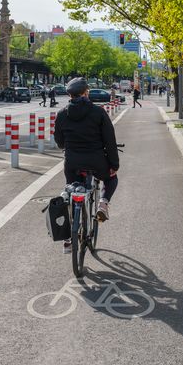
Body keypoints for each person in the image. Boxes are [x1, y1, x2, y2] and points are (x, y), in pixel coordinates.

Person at [55, 78, 120, 254]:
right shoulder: (98, 112)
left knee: (70, 191)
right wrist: (114, 164)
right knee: (111, 179)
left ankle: (68, 239)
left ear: (69, 94)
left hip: (72, 163)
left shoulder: (61, 114)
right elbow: (110, 140)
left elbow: (60, 143)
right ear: (86, 93)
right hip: (97, 162)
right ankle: (103, 204)